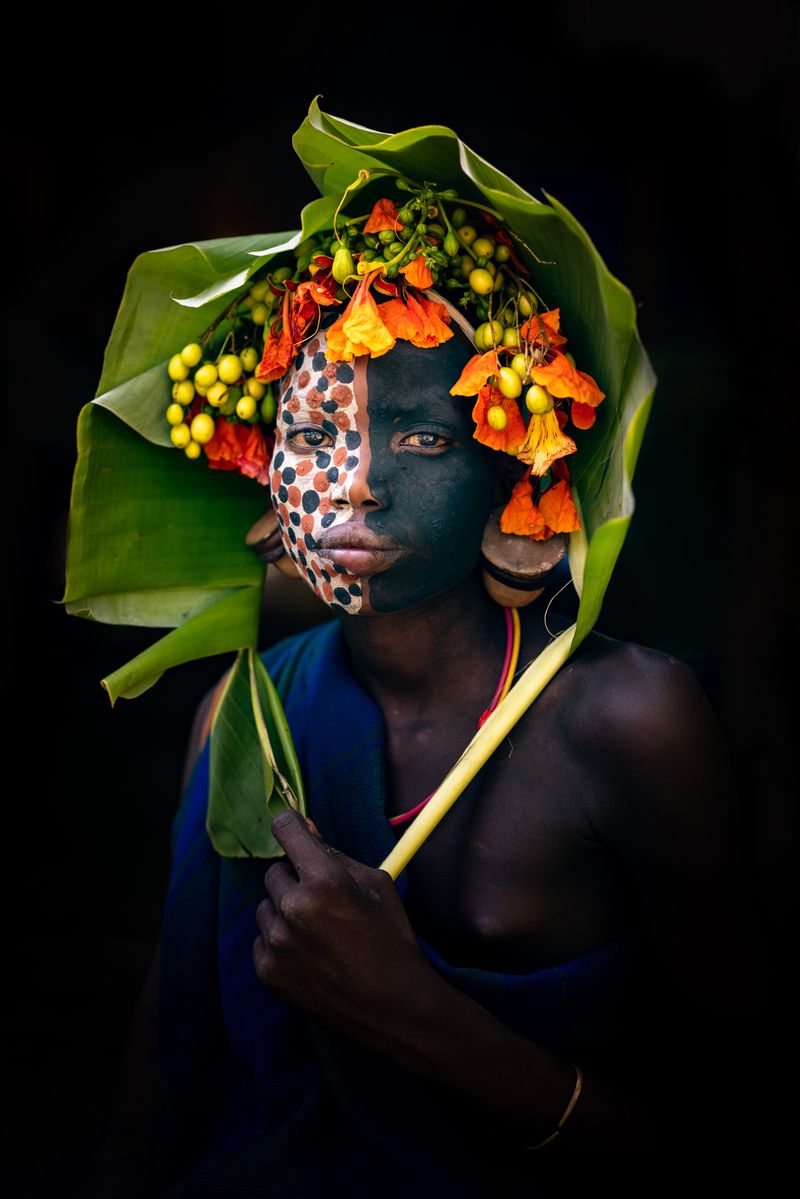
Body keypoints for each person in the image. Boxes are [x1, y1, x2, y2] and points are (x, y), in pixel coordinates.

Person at [144, 320, 762, 1197]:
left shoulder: (633, 722)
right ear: (267, 472)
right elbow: (160, 1086)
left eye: (424, 438)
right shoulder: (238, 720)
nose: (357, 481)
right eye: (314, 435)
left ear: (512, 475)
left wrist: (413, 1012)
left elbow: (732, 1123)